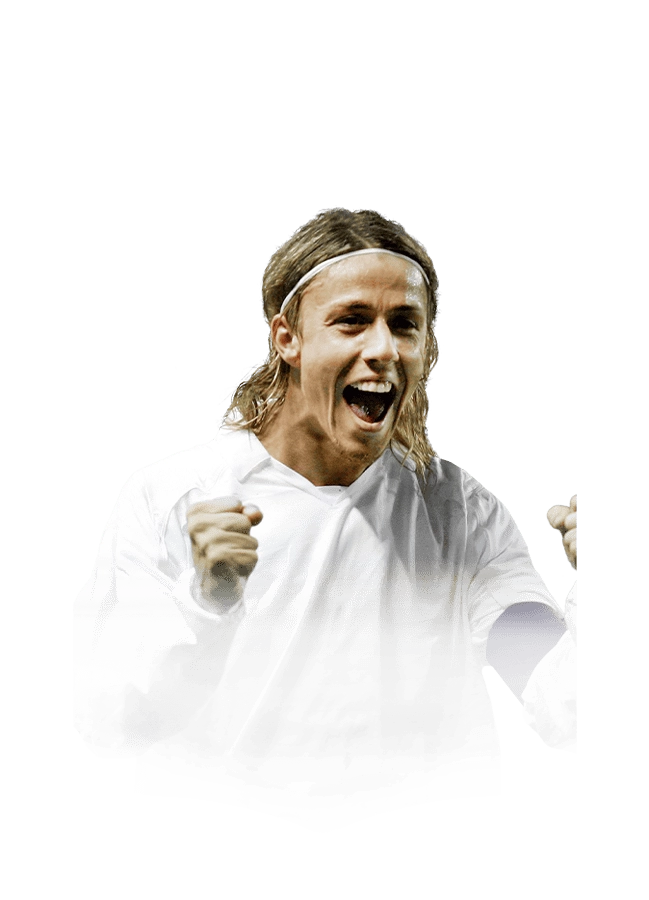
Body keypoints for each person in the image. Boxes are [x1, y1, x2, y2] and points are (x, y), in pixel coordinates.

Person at [72, 207, 579, 832]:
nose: (383, 349)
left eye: (405, 324)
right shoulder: (171, 496)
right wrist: (204, 604)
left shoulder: (459, 512)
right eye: (352, 320)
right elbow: (107, 727)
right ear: (287, 337)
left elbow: (565, 710)